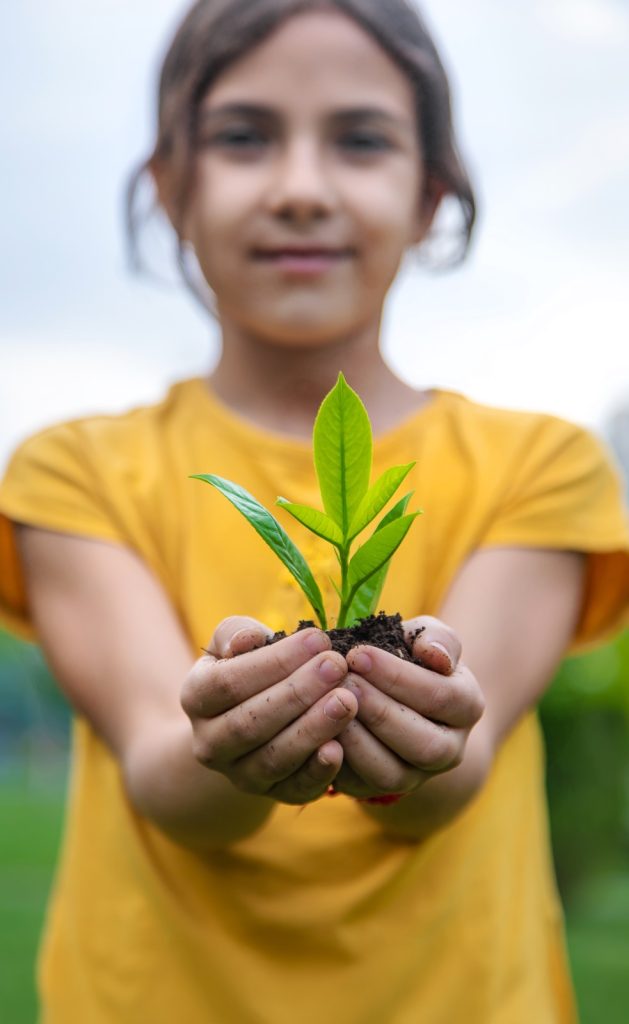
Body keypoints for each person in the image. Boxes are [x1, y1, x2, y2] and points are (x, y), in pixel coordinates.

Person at [1, 1, 628, 1021]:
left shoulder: (543, 466)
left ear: (429, 196)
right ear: (170, 188)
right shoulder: (71, 471)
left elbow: (451, 772)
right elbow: (164, 768)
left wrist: (415, 736)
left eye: (360, 139)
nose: (299, 189)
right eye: (244, 136)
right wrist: (224, 744)